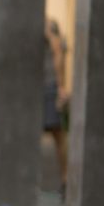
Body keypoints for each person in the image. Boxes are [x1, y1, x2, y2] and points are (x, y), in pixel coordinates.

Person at [44, 18, 69, 193]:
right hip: (44, 86)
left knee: (58, 134)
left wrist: (60, 86)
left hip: (49, 87)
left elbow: (58, 51)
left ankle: (66, 179)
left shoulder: (49, 25)